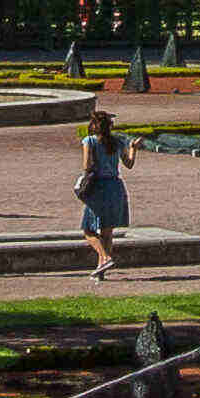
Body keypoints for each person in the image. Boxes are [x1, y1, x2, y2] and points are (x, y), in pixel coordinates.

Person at [74, 107, 133, 280]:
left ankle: (105, 258)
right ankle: (101, 270)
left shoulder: (89, 141)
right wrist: (133, 148)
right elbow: (129, 164)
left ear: (94, 125)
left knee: (88, 229)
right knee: (107, 231)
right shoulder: (118, 141)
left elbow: (86, 166)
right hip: (116, 186)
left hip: (98, 187)